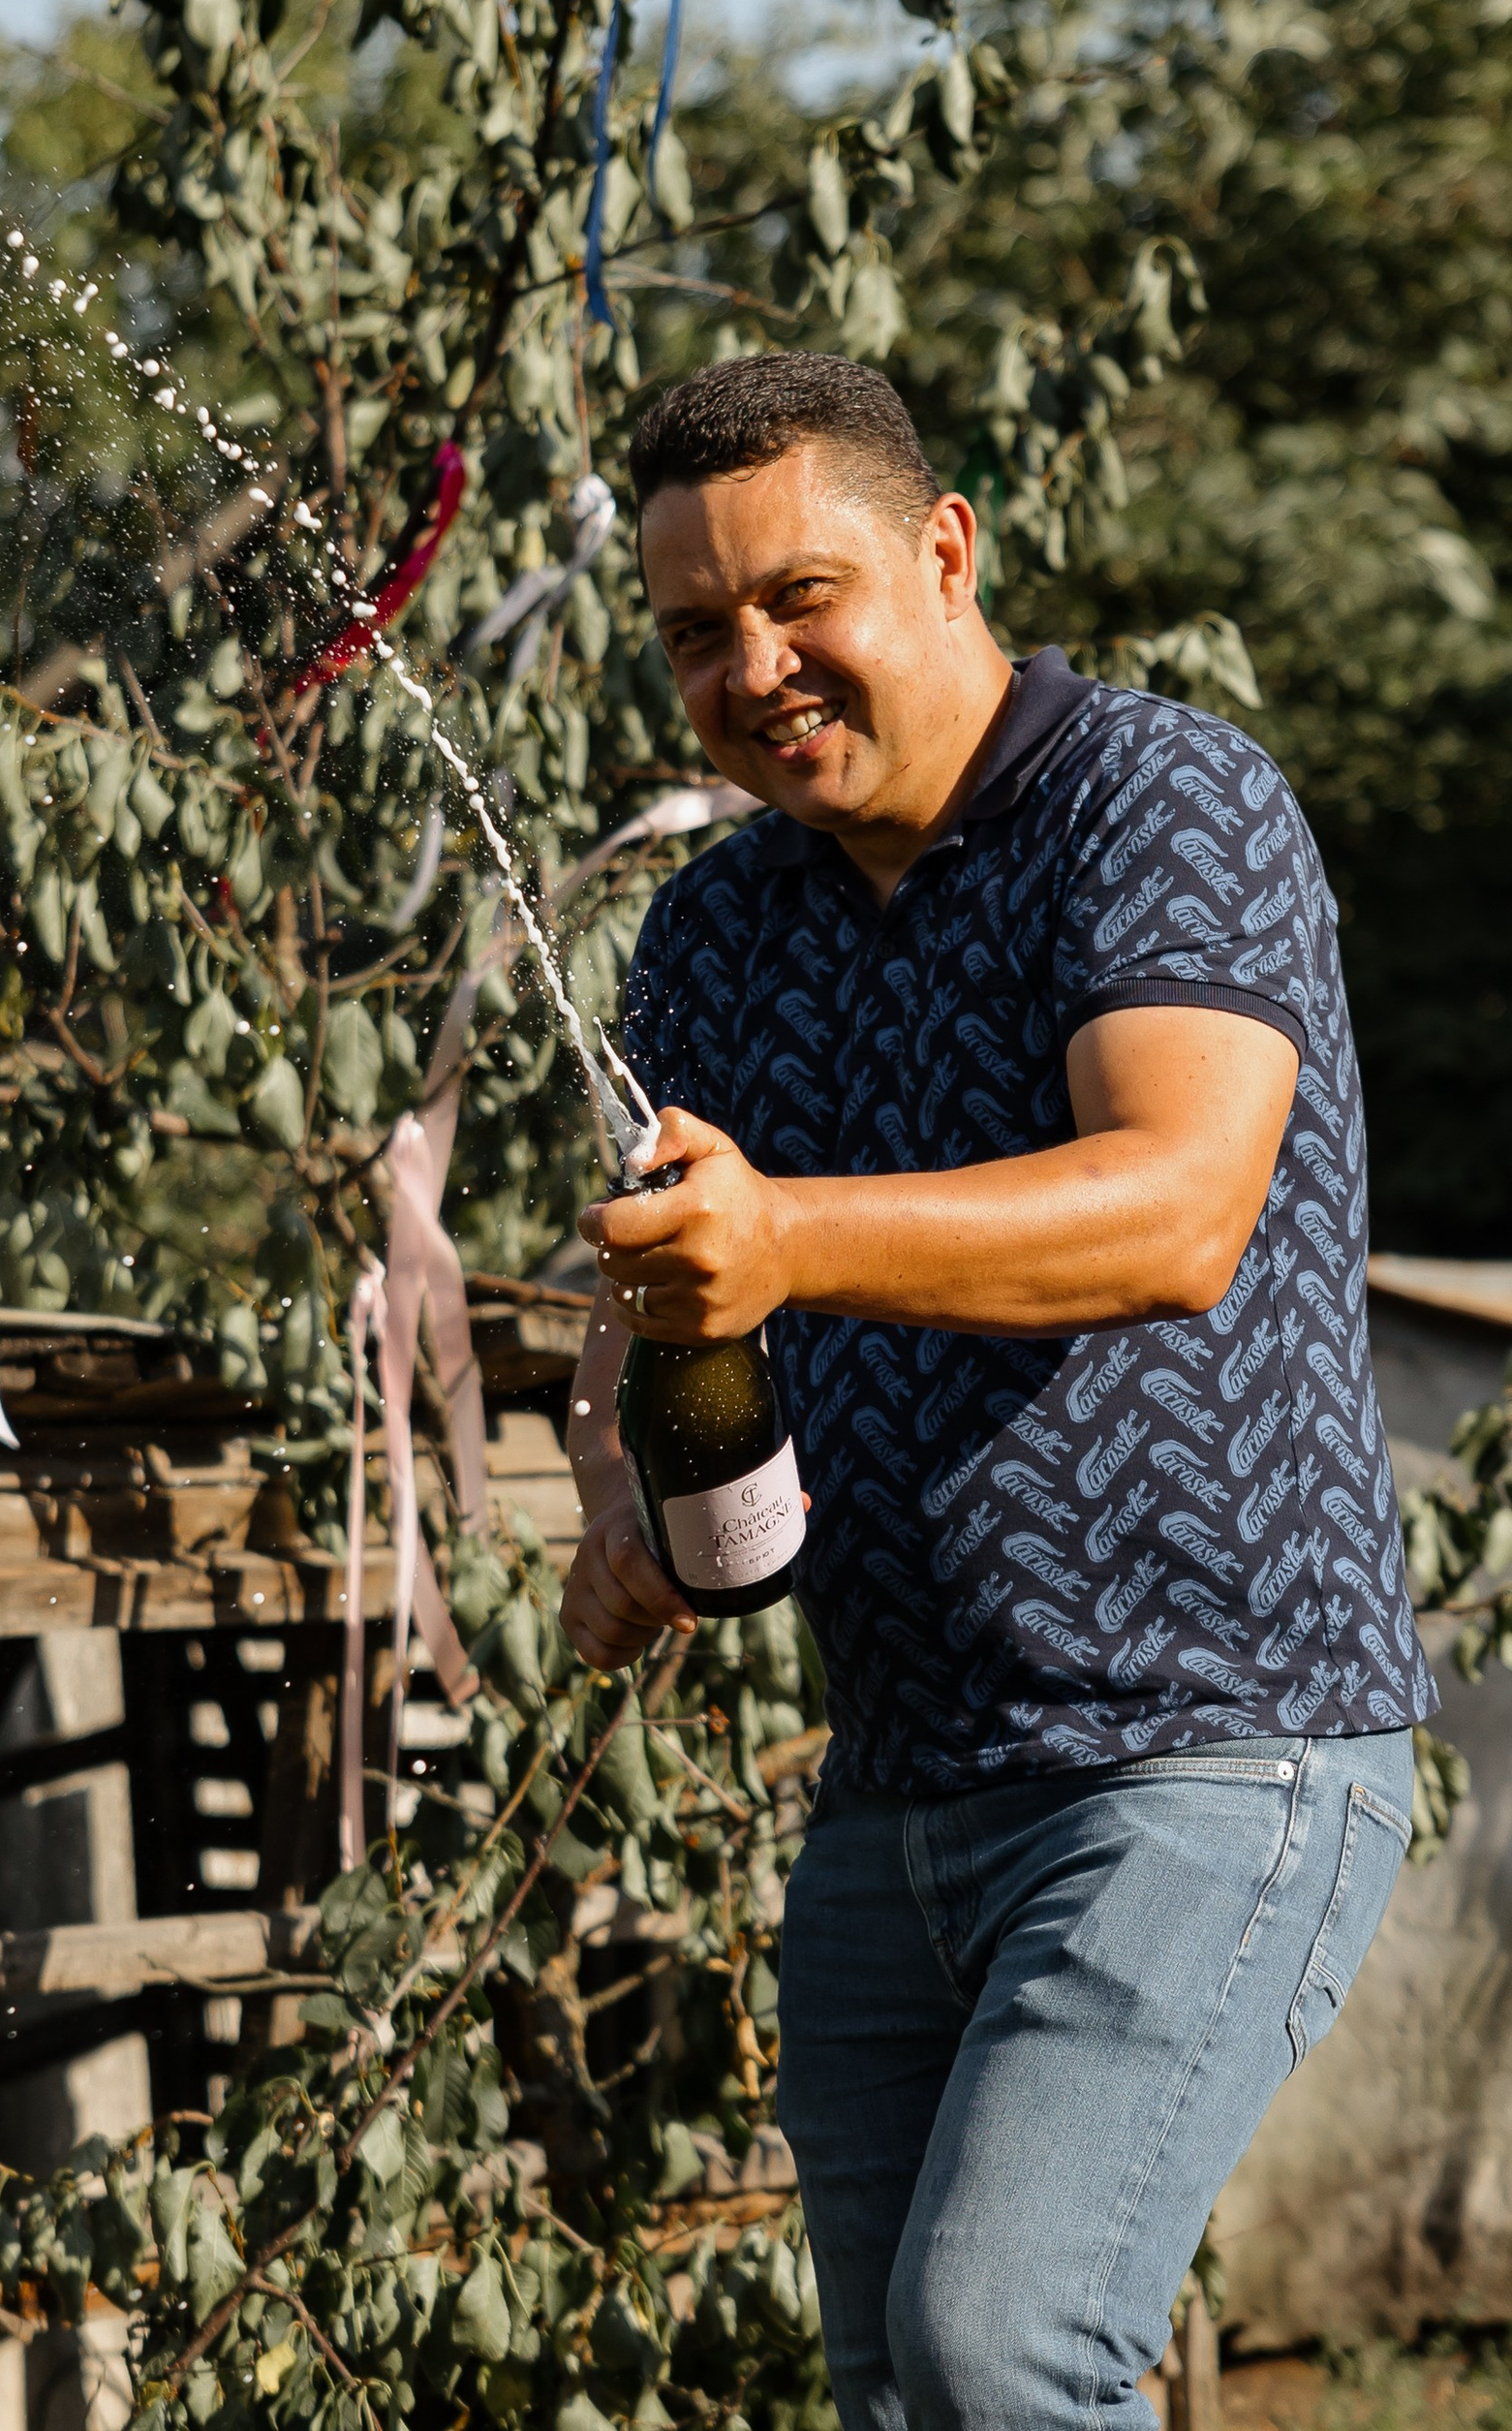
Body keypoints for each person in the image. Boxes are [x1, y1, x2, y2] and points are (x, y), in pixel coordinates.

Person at [557, 349, 1433, 2431]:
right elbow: (653, 1262)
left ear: (942, 551)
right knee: (905, 2397)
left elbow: (1173, 1205)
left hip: (1207, 1750)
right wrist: (621, 1477)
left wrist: (787, 1240)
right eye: (695, 630)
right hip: (902, 1783)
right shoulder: (714, 928)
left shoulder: (1154, 801)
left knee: (997, 2344)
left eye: (799, 594)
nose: (752, 663)